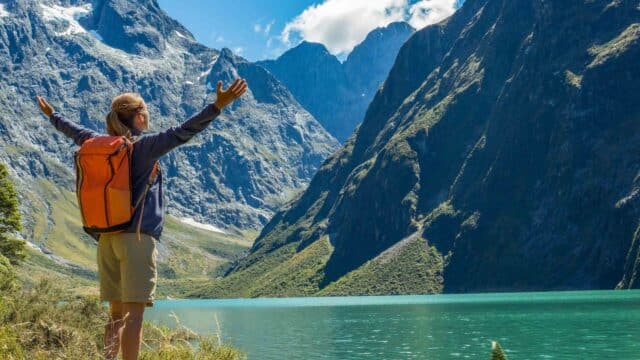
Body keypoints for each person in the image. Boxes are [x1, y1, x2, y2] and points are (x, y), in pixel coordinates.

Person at [35, 77, 248, 360]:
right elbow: (184, 131)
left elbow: (74, 132)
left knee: (115, 315)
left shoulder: (96, 143)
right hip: (136, 239)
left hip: (107, 240)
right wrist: (217, 106)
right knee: (134, 317)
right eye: (145, 111)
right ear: (139, 116)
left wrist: (53, 116)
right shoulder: (143, 148)